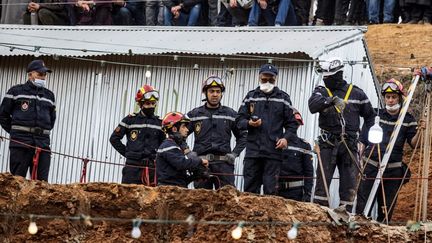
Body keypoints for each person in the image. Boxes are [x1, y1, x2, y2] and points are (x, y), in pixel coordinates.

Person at [308, 57, 375, 210]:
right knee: (322, 187)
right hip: (327, 145)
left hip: (350, 146)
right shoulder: (322, 91)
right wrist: (331, 100)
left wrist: (364, 141)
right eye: (324, 77)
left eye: (328, 77)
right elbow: (312, 106)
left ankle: (345, 222)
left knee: (349, 188)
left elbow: (370, 117)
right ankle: (321, 217)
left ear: (338, 75)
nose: (325, 79)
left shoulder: (357, 94)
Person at [356, 79, 425, 222]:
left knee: (386, 210)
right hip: (371, 167)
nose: (391, 100)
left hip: (392, 171)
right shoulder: (375, 116)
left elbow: (415, 144)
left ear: (399, 97)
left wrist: (420, 132)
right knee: (362, 208)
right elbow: (362, 141)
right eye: (388, 97)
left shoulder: (407, 119)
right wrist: (359, 163)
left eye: (394, 97)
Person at [237, 64, 298, 195]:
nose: (267, 82)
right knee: (249, 192)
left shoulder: (283, 98)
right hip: (253, 153)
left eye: (271, 80)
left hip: (273, 153)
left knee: (271, 192)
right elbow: (239, 120)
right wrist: (249, 123)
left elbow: (292, 124)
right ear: (259, 77)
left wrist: (285, 139)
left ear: (276, 79)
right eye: (264, 79)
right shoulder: (251, 97)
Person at [0, 60, 56, 181]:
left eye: (44, 74)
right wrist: (16, 133)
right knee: (17, 182)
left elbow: (51, 120)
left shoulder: (49, 95)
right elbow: (3, 115)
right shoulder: (15, 91)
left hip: (42, 144)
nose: (43, 77)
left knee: (41, 184)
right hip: (20, 143)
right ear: (30, 74)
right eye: (40, 74)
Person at [187, 76, 247, 189]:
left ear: (221, 94)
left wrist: (235, 153)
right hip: (202, 165)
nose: (215, 94)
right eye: (211, 91)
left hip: (224, 166)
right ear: (205, 92)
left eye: (218, 91)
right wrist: (188, 152)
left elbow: (243, 136)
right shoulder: (195, 114)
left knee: (227, 200)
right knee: (202, 200)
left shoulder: (231, 114)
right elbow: (180, 135)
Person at [110, 85, 165, 185]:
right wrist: (128, 154)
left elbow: (163, 144)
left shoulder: (160, 123)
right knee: (128, 197)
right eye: (148, 103)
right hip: (132, 168)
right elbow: (114, 139)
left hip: (151, 169)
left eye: (153, 103)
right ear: (140, 104)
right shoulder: (129, 120)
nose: (151, 106)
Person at [156, 112, 209, 187]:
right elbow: (181, 164)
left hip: (175, 188)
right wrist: (200, 161)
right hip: (168, 191)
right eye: (184, 127)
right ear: (174, 129)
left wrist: (196, 176)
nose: (187, 130)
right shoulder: (168, 146)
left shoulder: (174, 145)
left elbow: (179, 179)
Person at [278, 109, 314, 202]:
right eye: (293, 123)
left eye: (297, 123)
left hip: (296, 193)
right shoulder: (276, 142)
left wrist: (307, 193)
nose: (295, 126)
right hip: (275, 191)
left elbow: (309, 172)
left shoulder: (304, 145)